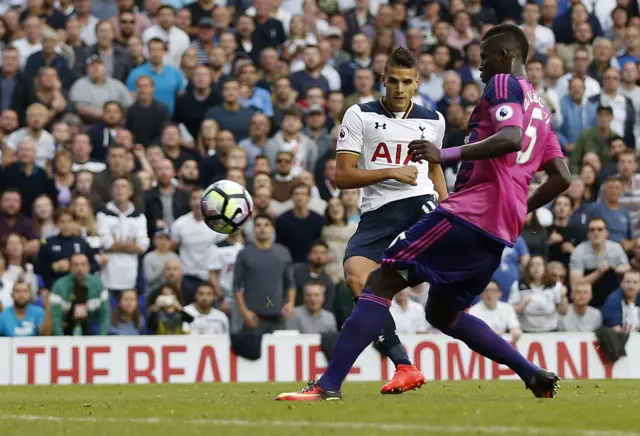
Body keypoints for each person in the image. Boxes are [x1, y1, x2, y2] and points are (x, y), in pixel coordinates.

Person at [276, 24, 571, 402]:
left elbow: (510, 138)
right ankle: (533, 375)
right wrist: (516, 208)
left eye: (483, 58)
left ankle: (327, 385)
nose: (478, 67)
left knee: (379, 283)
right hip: (500, 230)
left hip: (469, 214)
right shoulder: (542, 109)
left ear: (504, 56)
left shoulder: (502, 85)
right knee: (442, 313)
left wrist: (443, 154)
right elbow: (561, 178)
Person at [308, 47, 448, 395]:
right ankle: (403, 363)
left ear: (417, 83)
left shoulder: (434, 120)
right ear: (382, 80)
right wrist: (389, 172)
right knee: (356, 278)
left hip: (419, 205)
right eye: (392, 81)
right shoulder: (360, 115)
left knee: (397, 287)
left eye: (406, 82)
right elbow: (342, 176)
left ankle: (330, 383)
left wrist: (450, 211)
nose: (399, 89)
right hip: (376, 214)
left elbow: (434, 169)